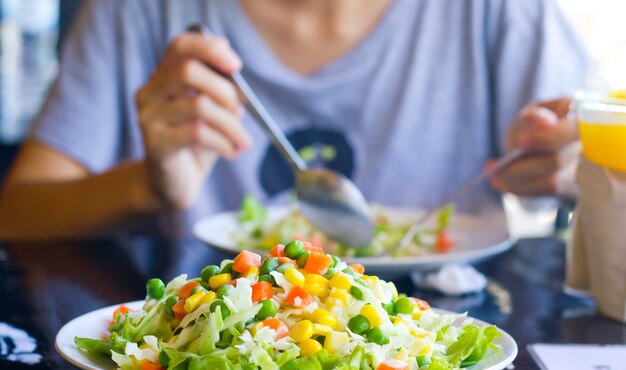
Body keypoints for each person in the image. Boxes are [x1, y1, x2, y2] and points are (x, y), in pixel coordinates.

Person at [0, 0, 589, 240]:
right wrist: (147, 186)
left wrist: (573, 169)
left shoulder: (498, 10)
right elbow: (18, 211)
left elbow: (593, 150)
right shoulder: (139, 10)